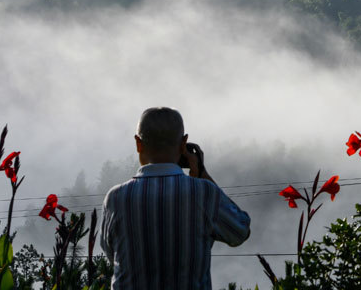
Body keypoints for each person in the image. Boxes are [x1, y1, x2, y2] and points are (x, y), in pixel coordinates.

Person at [100, 107, 251, 290]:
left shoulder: (115, 198)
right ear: (184, 144)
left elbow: (112, 254)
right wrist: (201, 172)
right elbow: (240, 231)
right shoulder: (204, 193)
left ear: (138, 143)